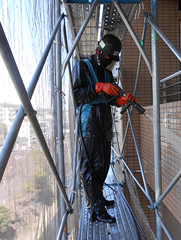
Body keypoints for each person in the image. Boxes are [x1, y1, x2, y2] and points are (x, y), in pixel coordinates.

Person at [72, 34, 136, 223]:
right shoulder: (82, 67)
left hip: (104, 124)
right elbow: (77, 95)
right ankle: (96, 209)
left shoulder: (108, 73)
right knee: (91, 167)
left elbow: (110, 99)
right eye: (109, 60)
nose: (110, 64)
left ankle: (98, 198)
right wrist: (99, 87)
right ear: (101, 54)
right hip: (89, 125)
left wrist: (121, 100)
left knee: (103, 166)